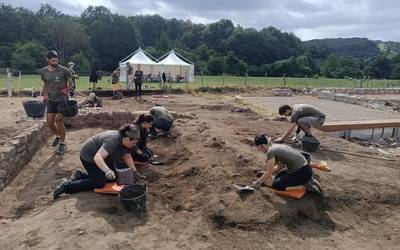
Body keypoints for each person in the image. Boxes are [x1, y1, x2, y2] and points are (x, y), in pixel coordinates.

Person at [53, 124, 141, 199]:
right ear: (126, 138)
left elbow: (127, 156)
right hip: (89, 157)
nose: (134, 145)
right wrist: (108, 171)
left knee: (114, 178)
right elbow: (98, 157)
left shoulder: (128, 143)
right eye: (133, 143)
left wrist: (134, 172)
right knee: (99, 182)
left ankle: (81, 175)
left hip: (105, 158)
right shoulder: (112, 141)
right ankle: (66, 186)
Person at [252, 133, 321, 193]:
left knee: (277, 185)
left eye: (258, 147)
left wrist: (258, 183)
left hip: (301, 172)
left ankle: (305, 186)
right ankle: (307, 180)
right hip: (305, 169)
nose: (258, 150)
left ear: (263, 145)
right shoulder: (275, 146)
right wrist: (266, 173)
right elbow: (279, 166)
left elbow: (269, 171)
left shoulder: (270, 152)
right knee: (279, 176)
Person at [40, 50, 74, 155]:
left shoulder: (64, 70)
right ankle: (58, 136)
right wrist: (44, 94)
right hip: (51, 99)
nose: (55, 62)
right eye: (53, 60)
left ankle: (63, 143)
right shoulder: (44, 71)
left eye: (57, 60)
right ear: (48, 60)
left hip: (62, 99)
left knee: (59, 120)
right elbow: (45, 84)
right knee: (50, 122)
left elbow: (71, 83)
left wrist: (66, 89)